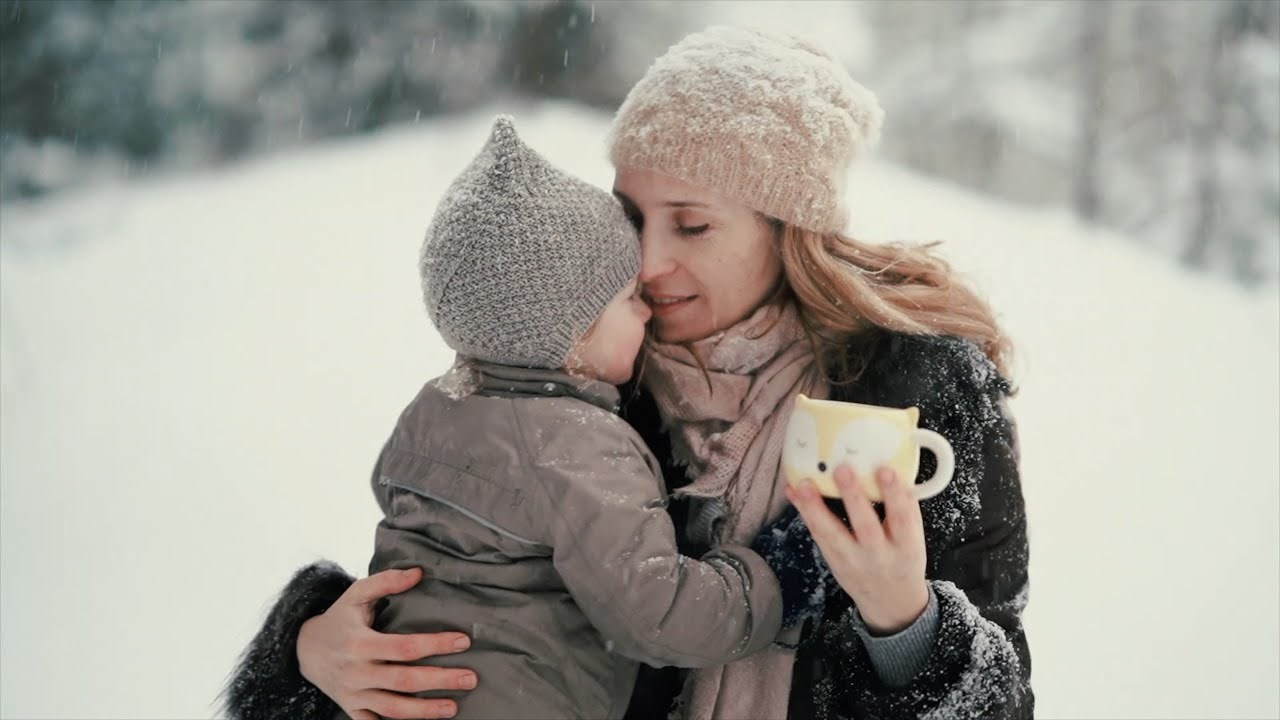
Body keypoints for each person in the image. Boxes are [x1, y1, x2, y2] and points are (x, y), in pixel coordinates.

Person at [224, 25, 1032, 720]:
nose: (646, 262)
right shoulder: (583, 383)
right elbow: (459, 589)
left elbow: (1001, 701)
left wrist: (906, 621)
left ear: (790, 229)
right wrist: (311, 645)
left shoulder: (915, 396)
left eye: (692, 224)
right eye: (632, 216)